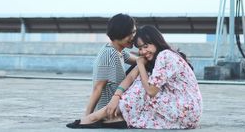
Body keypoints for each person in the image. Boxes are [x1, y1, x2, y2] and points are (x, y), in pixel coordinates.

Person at [66, 25, 202, 129]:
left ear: (156, 41)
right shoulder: (156, 57)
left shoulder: (165, 55)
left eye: (146, 46)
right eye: (140, 48)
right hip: (184, 114)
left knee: (141, 84)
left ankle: (95, 118)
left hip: (185, 109)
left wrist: (140, 65)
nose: (143, 52)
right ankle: (110, 118)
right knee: (138, 78)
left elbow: (151, 91)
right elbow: (130, 77)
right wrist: (115, 97)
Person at [83, 13, 138, 117]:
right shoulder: (109, 54)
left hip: (118, 107)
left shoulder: (119, 51)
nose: (133, 37)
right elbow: (98, 88)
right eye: (130, 34)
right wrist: (86, 119)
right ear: (120, 32)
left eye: (134, 32)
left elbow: (139, 61)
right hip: (110, 112)